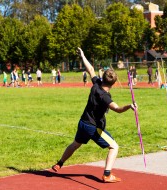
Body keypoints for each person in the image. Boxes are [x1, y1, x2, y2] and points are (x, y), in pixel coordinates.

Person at [51, 47, 137, 183]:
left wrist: (83, 55)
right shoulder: (105, 97)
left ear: (102, 78)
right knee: (114, 147)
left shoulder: (96, 84)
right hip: (92, 127)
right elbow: (118, 109)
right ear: (113, 83)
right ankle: (107, 175)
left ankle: (59, 163)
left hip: (83, 122)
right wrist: (130, 106)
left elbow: (90, 69)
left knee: (75, 144)